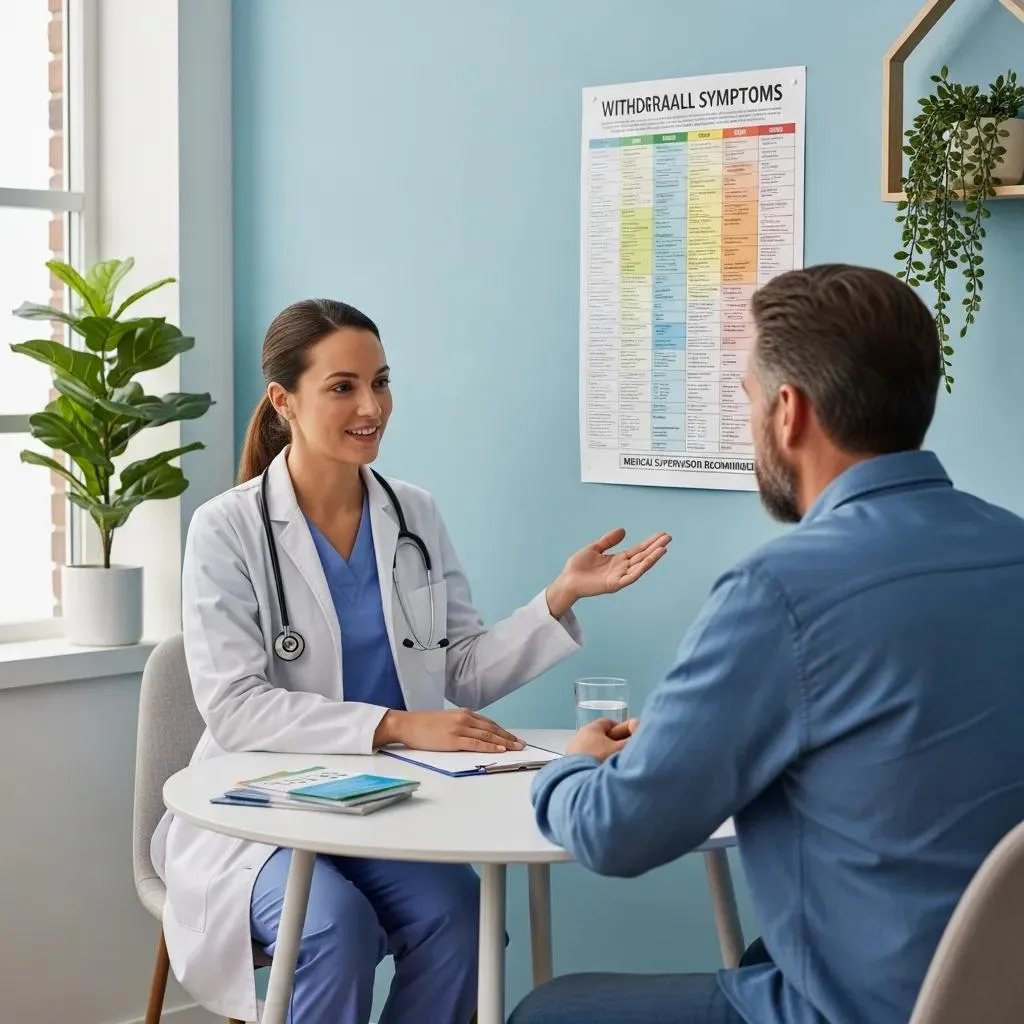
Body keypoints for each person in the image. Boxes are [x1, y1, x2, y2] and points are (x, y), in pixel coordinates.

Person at [509, 264, 1024, 1024]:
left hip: (861, 1006)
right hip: (996, 990)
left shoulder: (781, 593)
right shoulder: (1011, 547)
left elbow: (615, 834)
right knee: (755, 953)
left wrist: (571, 768)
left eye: (746, 397)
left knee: (546, 1011)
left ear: (789, 413)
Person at [148, 298, 669, 1024]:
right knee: (334, 927)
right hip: (264, 808)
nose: (372, 406)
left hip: (382, 807)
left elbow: (463, 672)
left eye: (381, 381)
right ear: (283, 401)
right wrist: (398, 725)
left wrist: (559, 596)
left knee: (462, 915)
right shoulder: (227, 530)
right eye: (343, 386)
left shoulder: (412, 514)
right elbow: (236, 710)